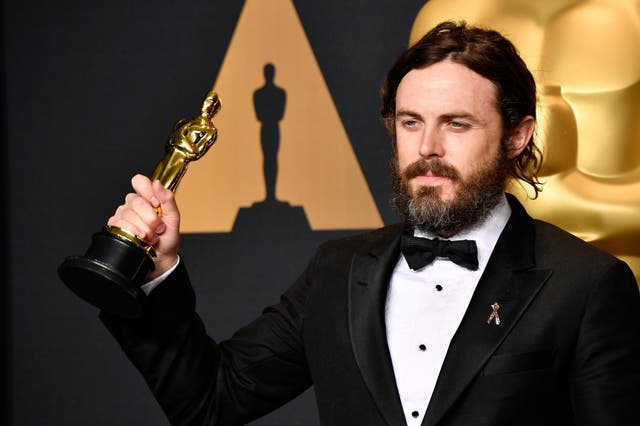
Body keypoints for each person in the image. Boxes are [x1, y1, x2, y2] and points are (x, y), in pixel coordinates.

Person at [101, 21, 640, 425]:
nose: (427, 148)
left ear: (517, 136)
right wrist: (158, 271)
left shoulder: (587, 284)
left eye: (456, 123)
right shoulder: (336, 270)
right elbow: (210, 400)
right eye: (411, 123)